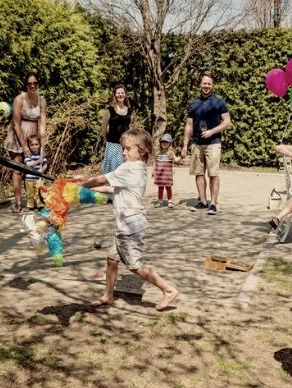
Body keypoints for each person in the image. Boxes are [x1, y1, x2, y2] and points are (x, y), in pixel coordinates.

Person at [81, 129, 179, 311]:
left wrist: (80, 186)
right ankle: (108, 295)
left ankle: (168, 290)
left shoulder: (128, 168)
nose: (123, 153)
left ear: (141, 150)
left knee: (135, 266)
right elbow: (115, 189)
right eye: (123, 149)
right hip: (127, 225)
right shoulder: (140, 169)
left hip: (129, 227)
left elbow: (102, 179)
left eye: (127, 149)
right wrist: (93, 191)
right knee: (112, 260)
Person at [181, 73, 231, 215]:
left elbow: (227, 122)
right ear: (200, 84)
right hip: (196, 143)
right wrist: (185, 145)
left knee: (213, 174)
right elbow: (189, 125)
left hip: (213, 143)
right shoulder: (194, 103)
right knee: (199, 174)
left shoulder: (219, 102)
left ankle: (213, 203)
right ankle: (203, 201)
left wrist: (212, 132)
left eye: (209, 84)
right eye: (204, 83)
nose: (206, 86)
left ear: (212, 85)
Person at [5, 73, 47, 213]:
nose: (32, 86)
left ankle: (33, 200)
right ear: (26, 85)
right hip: (19, 135)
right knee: (18, 170)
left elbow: (42, 121)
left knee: (33, 169)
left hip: (33, 136)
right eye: (30, 83)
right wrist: (23, 145)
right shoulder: (19, 99)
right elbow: (16, 123)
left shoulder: (41, 100)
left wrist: (42, 139)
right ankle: (17, 203)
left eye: (35, 83)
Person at [100, 84, 132, 175]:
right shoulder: (109, 110)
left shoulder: (129, 111)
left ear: (125, 94)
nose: (120, 95)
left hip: (125, 145)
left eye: (122, 93)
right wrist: (106, 141)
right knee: (112, 171)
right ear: (114, 95)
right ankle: (109, 188)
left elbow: (131, 128)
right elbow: (104, 128)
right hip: (112, 145)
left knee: (124, 170)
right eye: (118, 93)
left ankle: (121, 188)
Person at [152, 133, 181, 208]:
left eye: (166, 142)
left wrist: (182, 157)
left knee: (168, 187)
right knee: (160, 187)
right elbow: (155, 162)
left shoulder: (171, 153)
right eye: (163, 141)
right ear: (160, 142)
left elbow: (176, 160)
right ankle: (160, 201)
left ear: (169, 143)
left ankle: (170, 201)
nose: (164, 143)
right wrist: (153, 171)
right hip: (159, 174)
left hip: (167, 174)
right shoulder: (158, 153)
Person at [23, 135, 48, 211]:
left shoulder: (41, 155)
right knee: (30, 193)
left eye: (36, 144)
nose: (34, 147)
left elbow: (45, 164)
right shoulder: (28, 156)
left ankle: (39, 205)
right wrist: (38, 161)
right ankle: (30, 205)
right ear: (29, 146)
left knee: (39, 192)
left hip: (38, 178)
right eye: (32, 145)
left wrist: (42, 170)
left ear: (39, 145)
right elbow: (29, 165)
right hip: (29, 178)